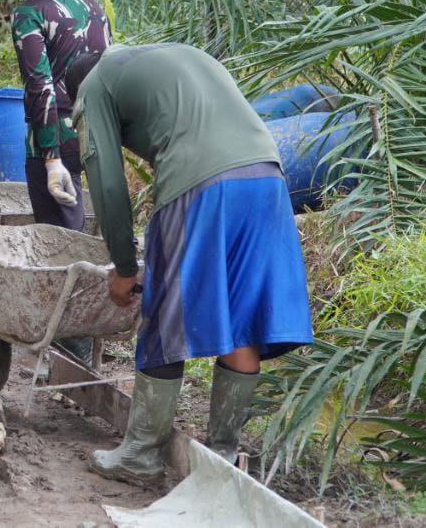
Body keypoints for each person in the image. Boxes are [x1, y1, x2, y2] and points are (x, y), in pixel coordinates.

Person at [67, 43, 314, 485]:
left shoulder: (94, 86)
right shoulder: (173, 57)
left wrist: (123, 267)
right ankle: (221, 453)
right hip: (267, 175)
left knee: (164, 311)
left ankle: (140, 454)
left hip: (202, 183)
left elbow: (104, 180)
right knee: (244, 321)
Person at [7, 0, 110, 366]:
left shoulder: (30, 13)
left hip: (56, 133)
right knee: (85, 223)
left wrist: (49, 157)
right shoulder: (92, 5)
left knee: (60, 235)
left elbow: (40, 85)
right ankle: (88, 324)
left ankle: (73, 337)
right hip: (97, 127)